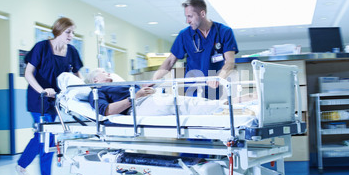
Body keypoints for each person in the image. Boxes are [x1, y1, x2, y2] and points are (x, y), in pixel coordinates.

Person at [16, 17, 84, 175]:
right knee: (48, 138)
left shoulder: (72, 52)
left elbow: (77, 76)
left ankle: (21, 165)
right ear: (58, 30)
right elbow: (28, 73)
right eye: (68, 32)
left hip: (56, 100)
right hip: (37, 98)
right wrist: (42, 90)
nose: (71, 35)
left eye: (73, 32)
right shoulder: (42, 47)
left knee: (42, 137)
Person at [152, 0, 239, 99]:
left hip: (213, 87)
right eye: (186, 16)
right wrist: (153, 80)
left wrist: (219, 78)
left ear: (202, 13)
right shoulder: (185, 35)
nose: (187, 21)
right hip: (192, 88)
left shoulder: (224, 32)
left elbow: (230, 62)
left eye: (190, 16)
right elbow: (170, 60)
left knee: (213, 112)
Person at [87, 68, 256, 117]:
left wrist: (147, 86)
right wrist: (135, 97)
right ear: (95, 79)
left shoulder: (120, 84)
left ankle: (237, 103)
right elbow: (106, 111)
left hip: (150, 98)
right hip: (138, 106)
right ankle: (236, 103)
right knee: (187, 106)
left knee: (189, 103)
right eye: (103, 71)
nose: (108, 72)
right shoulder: (95, 91)